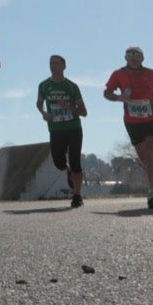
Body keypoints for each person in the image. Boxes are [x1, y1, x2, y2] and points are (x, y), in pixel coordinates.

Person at [103, 45, 153, 210]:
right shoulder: (118, 74)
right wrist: (119, 98)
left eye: (137, 55)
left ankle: (152, 193)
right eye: (130, 55)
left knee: (152, 154)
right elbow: (107, 93)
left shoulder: (152, 73)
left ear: (142, 58)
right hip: (132, 122)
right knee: (145, 159)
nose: (133, 58)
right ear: (125, 58)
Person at [36, 55, 88, 207]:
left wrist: (69, 107)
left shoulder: (72, 87)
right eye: (51, 63)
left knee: (76, 161)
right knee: (58, 162)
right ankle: (68, 170)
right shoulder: (44, 85)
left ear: (64, 66)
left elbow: (84, 112)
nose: (53, 66)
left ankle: (77, 196)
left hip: (73, 128)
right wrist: (44, 113)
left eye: (56, 63)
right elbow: (39, 103)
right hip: (55, 129)